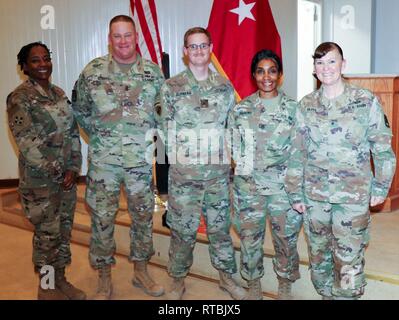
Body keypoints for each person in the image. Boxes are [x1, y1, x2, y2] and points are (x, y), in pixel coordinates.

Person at [285, 42, 396, 300]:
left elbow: (381, 146)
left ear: (343, 64)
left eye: (332, 61)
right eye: (320, 63)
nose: (326, 68)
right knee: (319, 253)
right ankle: (327, 294)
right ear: (314, 68)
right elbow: (296, 152)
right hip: (315, 196)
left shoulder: (364, 101)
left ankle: (345, 296)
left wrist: (381, 186)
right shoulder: (306, 105)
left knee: (349, 256)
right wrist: (294, 193)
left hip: (352, 197)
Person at [72, 15, 165, 299]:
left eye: (128, 35)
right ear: (109, 39)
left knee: (141, 217)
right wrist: (102, 135)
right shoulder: (93, 72)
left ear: (136, 36)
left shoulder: (153, 73)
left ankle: (141, 271)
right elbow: (80, 109)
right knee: (102, 218)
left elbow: (162, 115)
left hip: (139, 161)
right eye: (117, 36)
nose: (123, 41)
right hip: (105, 162)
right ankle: (103, 275)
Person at [159, 27, 246, 300]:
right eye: (193, 46)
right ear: (185, 52)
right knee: (182, 231)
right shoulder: (171, 87)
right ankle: (176, 280)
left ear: (210, 49)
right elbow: (163, 130)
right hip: (185, 177)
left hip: (218, 177)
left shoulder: (224, 86)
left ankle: (226, 278)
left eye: (203, 46)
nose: (198, 51)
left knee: (220, 229)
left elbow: (232, 127)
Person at [7, 42, 85, 300]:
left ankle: (61, 280)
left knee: (63, 231)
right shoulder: (19, 98)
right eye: (35, 60)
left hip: (66, 179)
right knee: (47, 235)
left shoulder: (58, 93)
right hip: (41, 183)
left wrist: (73, 167)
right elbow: (27, 143)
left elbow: (73, 133)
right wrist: (57, 172)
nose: (43, 64)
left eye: (46, 59)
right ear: (24, 67)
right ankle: (46, 288)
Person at [227, 49, 303, 300]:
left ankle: (284, 283)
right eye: (260, 71)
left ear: (280, 75)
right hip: (250, 188)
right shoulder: (242, 109)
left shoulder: (294, 109)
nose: (266, 76)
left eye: (272, 71)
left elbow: (299, 148)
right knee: (250, 239)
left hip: (283, 189)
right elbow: (235, 146)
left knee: (285, 238)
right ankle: (253, 284)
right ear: (253, 75)